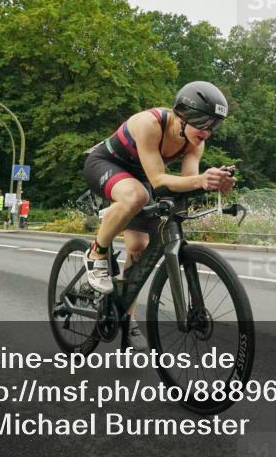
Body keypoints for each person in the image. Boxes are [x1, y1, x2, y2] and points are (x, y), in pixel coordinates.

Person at [81, 81, 236, 351]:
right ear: (182, 114)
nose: (207, 131)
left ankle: (127, 320)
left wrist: (210, 181)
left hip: (141, 178)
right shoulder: (149, 123)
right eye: (203, 122)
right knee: (136, 196)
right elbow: (157, 179)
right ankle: (97, 252)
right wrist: (199, 180)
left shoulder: (194, 143)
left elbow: (187, 182)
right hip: (106, 163)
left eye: (214, 125)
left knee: (138, 248)